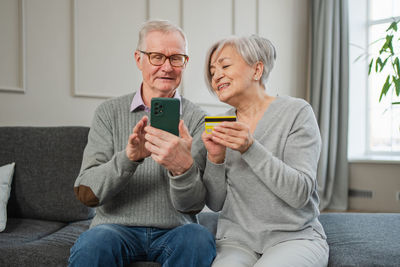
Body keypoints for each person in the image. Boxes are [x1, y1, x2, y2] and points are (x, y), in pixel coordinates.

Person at [68, 19, 215, 267]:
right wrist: (129, 158)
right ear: (139, 59)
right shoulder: (109, 112)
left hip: (176, 231)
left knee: (199, 239)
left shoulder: (198, 119)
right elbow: (87, 193)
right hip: (114, 228)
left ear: (185, 63)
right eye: (157, 57)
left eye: (176, 58)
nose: (167, 67)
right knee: (93, 245)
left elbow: (194, 205)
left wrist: (181, 169)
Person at [178, 35, 329, 266]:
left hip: (293, 238)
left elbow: (300, 193)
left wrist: (250, 148)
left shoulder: (297, 112)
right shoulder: (219, 124)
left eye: (225, 65)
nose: (216, 75)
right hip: (236, 242)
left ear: (257, 69)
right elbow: (215, 204)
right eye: (212, 71)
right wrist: (216, 159)